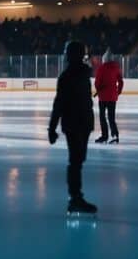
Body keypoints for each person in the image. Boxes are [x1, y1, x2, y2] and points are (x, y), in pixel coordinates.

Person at [48, 41, 97, 215]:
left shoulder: (69, 76)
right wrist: (52, 127)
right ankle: (75, 198)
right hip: (81, 123)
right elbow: (60, 102)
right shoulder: (83, 73)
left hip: (75, 123)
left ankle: (75, 197)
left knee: (76, 161)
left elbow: (59, 103)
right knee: (76, 161)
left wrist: (52, 128)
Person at [94, 50, 124, 144]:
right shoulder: (116, 68)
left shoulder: (101, 68)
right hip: (112, 97)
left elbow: (97, 83)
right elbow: (121, 82)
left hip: (103, 97)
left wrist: (98, 90)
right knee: (111, 117)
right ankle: (115, 135)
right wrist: (117, 92)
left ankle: (105, 136)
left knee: (102, 117)